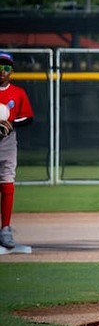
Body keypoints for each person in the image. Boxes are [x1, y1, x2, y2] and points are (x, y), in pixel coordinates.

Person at [0, 52, 34, 249]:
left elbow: (28, 118)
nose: (2, 71)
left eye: (6, 67)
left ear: (11, 71)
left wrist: (11, 123)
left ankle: (5, 229)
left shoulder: (18, 92)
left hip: (7, 142)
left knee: (7, 182)